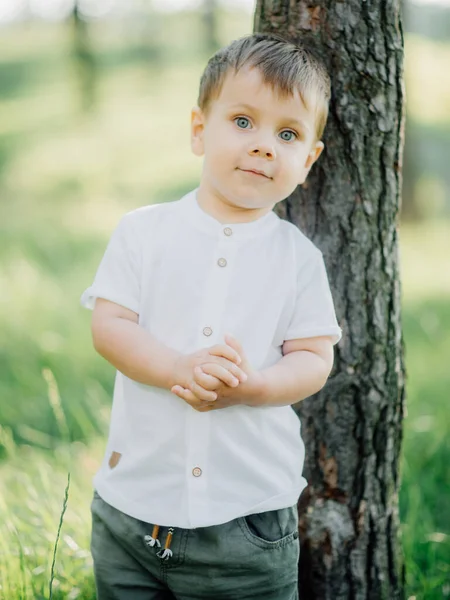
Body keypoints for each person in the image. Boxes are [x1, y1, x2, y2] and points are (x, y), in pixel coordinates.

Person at [80, 32, 342, 600]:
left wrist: (255, 386)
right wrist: (178, 366)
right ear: (200, 129)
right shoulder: (144, 232)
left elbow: (314, 359)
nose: (264, 145)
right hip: (132, 512)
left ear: (309, 160)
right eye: (243, 121)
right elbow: (110, 325)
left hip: (246, 523)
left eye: (289, 134)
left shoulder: (298, 258)